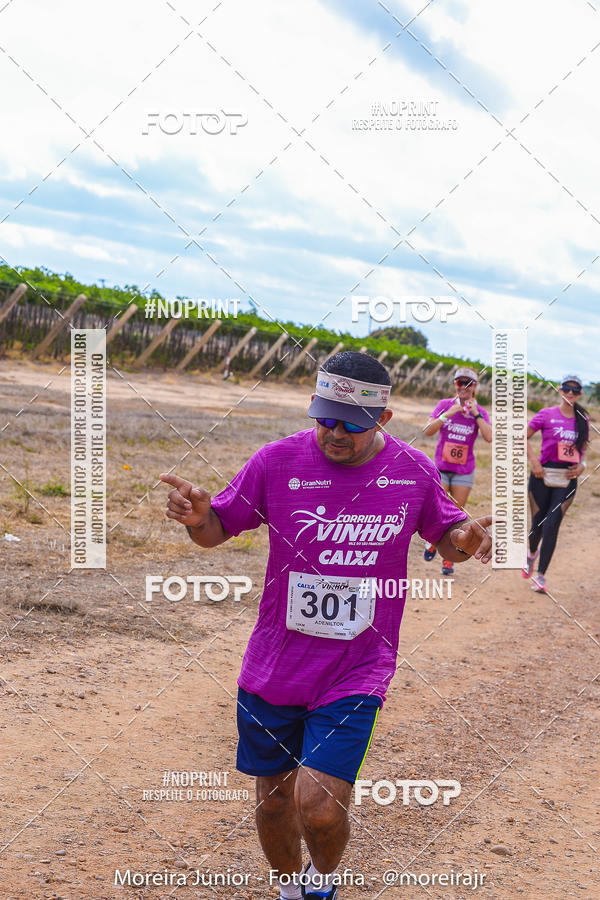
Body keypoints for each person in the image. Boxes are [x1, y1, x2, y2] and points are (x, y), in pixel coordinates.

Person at [160, 351, 492, 900]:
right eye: (325, 417)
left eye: (351, 424)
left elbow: (445, 532)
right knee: (272, 801)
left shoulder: (411, 470)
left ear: (382, 420)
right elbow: (217, 528)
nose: (334, 432)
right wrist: (200, 518)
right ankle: (292, 891)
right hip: (275, 663)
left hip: (357, 667)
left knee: (317, 805)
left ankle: (323, 884)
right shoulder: (276, 461)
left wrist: (466, 539)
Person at [522, 374, 589, 593]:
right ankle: (532, 554)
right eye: (566, 389)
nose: (570, 393)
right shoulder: (546, 414)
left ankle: (541, 577)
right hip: (541, 475)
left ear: (580, 394)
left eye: (575, 390)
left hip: (567, 479)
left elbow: (583, 449)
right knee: (537, 526)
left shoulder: (582, 419)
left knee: (552, 525)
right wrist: (534, 462)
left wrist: (582, 466)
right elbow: (523, 437)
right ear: (560, 391)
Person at [422, 367, 492, 575]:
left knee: (457, 512)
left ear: (475, 387)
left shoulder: (480, 412)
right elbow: (427, 431)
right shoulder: (445, 405)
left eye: (469, 383)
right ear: (455, 385)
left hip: (464, 471)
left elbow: (489, 437)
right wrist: (448, 414)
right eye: (460, 382)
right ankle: (434, 542)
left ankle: (449, 558)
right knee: (438, 508)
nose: (464, 387)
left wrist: (476, 414)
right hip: (441, 468)